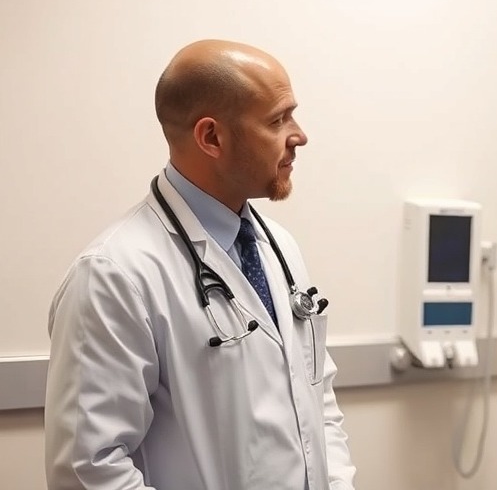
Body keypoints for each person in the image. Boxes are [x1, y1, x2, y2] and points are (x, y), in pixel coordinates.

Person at [44, 40, 356, 490]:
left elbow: (316, 396)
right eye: (278, 119)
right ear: (211, 137)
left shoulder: (279, 247)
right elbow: (89, 471)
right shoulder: (114, 276)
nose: (299, 135)